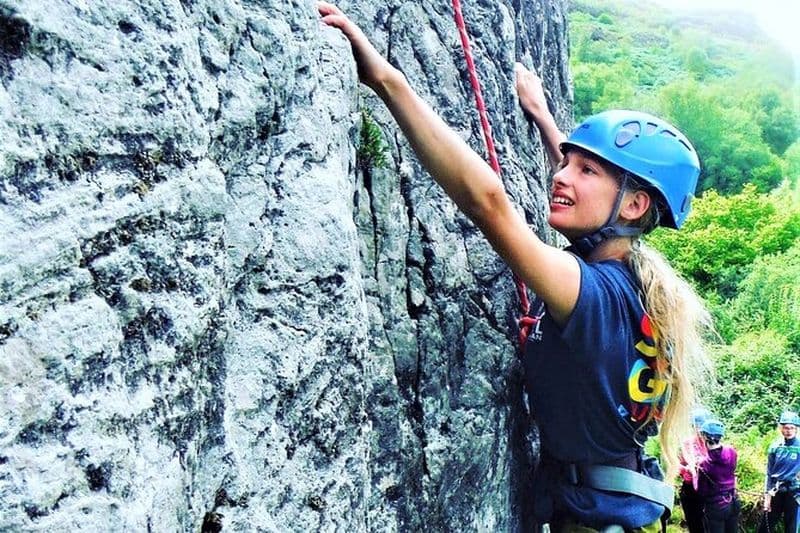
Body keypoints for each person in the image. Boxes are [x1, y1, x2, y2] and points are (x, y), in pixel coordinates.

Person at [318, 4, 712, 531]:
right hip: (617, 505)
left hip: (588, 519)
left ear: (635, 207)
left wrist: (386, 80)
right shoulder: (637, 282)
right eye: (566, 162)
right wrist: (548, 120)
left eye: (585, 169)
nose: (562, 176)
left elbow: (488, 203)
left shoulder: (590, 295)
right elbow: (594, 192)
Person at [758, 410, 800, 533]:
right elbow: (769, 473)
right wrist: (767, 497)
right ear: (781, 428)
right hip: (776, 490)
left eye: (792, 428)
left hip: (794, 491)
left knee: (791, 527)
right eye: (786, 428)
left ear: (796, 429)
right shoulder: (775, 446)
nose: (789, 431)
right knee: (766, 525)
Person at [695, 419, 739, 533]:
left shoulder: (704, 464)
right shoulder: (731, 451)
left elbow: (702, 491)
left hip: (716, 506)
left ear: (705, 437)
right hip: (733, 501)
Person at [679, 407, 711, 532]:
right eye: (698, 427)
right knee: (694, 523)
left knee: (709, 523)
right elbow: (676, 464)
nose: (701, 431)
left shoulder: (713, 443)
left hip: (709, 489)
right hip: (690, 489)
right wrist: (684, 470)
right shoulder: (687, 444)